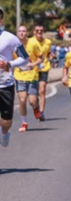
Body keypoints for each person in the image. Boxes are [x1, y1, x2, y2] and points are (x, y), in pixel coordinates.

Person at [0, 8, 30, 148]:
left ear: (1, 21)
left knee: (7, 121)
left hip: (5, 84)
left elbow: (25, 58)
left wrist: (9, 64)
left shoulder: (10, 38)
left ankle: (4, 132)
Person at [13, 25, 42, 132]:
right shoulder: (14, 45)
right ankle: (24, 122)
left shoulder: (33, 44)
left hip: (32, 76)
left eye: (23, 31)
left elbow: (41, 58)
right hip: (19, 76)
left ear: (27, 33)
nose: (21, 33)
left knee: (32, 101)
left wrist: (33, 64)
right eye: (19, 31)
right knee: (22, 99)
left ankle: (35, 107)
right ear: (17, 33)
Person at [29, 23, 53, 121]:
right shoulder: (30, 41)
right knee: (33, 95)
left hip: (44, 68)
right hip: (32, 69)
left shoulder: (48, 42)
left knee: (42, 90)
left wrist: (51, 56)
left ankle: (42, 112)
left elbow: (49, 53)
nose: (39, 32)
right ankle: (36, 107)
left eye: (41, 31)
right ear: (34, 32)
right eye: (37, 31)